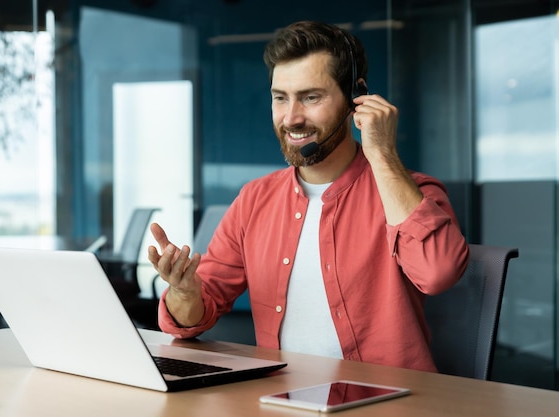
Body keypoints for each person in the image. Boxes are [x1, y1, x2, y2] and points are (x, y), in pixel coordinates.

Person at [148, 20, 469, 372]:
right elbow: (198, 310)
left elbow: (438, 273)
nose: (291, 118)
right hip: (281, 399)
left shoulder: (414, 191)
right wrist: (184, 291)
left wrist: (380, 154)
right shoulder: (255, 199)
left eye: (311, 97)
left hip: (388, 401)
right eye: (280, 98)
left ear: (355, 97)